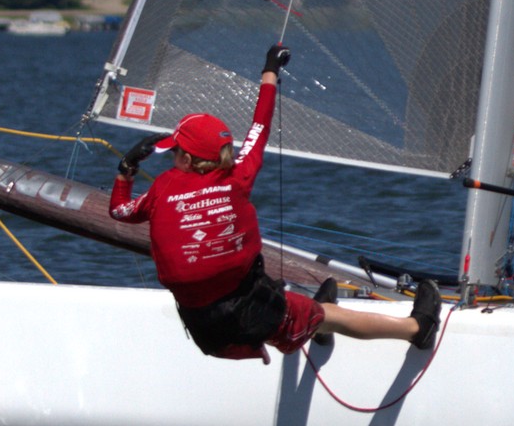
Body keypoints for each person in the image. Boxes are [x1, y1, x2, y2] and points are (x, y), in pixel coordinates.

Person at [111, 42, 440, 361]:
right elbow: (260, 126)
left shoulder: (161, 189)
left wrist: (127, 169)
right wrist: (270, 70)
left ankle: (311, 323)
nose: (172, 158)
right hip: (250, 316)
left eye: (174, 152)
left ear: (186, 159)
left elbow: (119, 210)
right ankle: (416, 329)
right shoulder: (239, 174)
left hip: (206, 332)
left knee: (253, 293)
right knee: (320, 313)